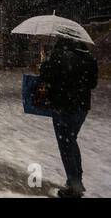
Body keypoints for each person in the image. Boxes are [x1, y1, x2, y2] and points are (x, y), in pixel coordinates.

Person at [40, 38, 98, 198]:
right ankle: (76, 179)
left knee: (66, 144)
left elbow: (46, 77)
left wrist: (45, 63)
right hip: (82, 107)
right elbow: (92, 83)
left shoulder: (58, 54)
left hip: (62, 105)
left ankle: (74, 186)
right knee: (71, 140)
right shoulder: (88, 56)